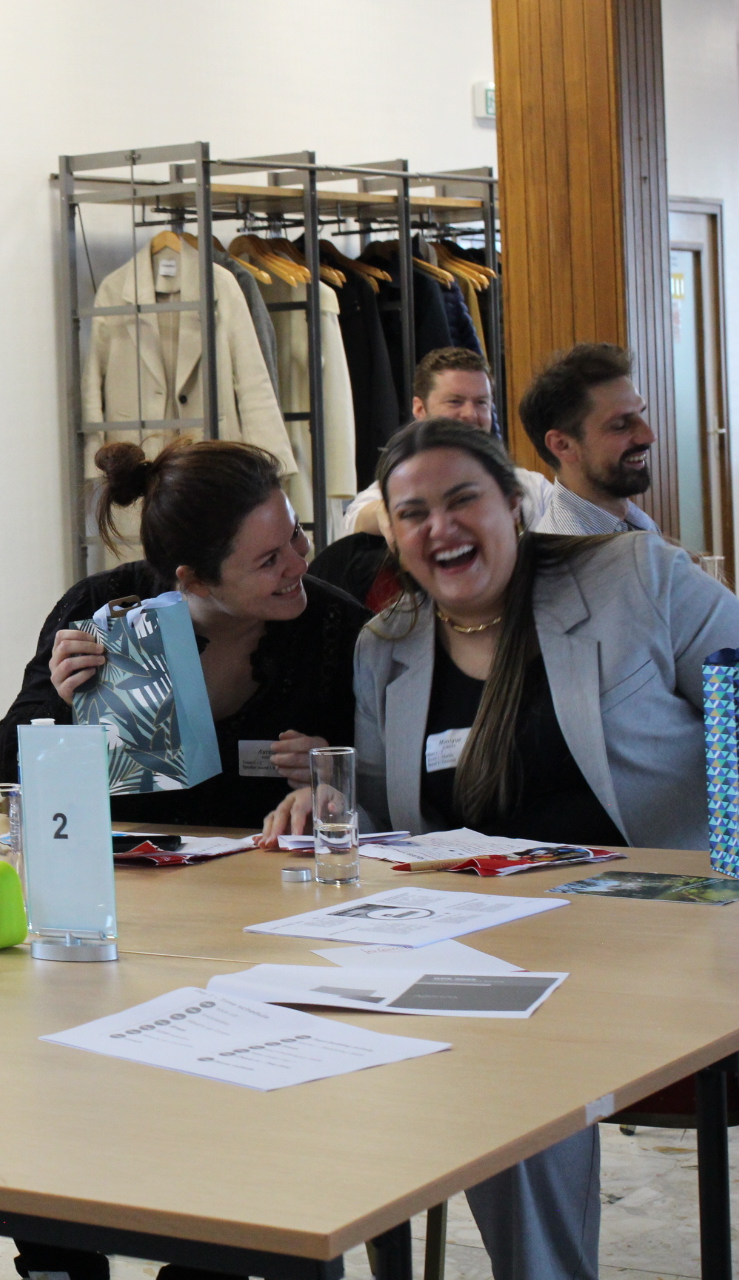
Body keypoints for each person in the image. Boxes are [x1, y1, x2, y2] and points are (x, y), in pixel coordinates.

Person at [265, 418, 739, 1280]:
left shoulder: (637, 578)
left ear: (514, 505)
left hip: (666, 943)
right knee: (352, 1030)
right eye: (414, 514)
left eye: (462, 501)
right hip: (487, 951)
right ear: (392, 536)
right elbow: (386, 816)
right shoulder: (387, 647)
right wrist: (329, 802)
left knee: (507, 1061)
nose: (440, 528)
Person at [0, 439, 369, 826]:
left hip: (273, 863)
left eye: (295, 533)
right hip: (131, 859)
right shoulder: (102, 607)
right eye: (269, 560)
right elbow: (9, 771)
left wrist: (338, 768)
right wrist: (64, 704)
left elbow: (389, 788)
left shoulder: (338, 626)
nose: (300, 563)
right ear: (196, 581)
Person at [341, 347, 552, 540]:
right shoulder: (394, 489)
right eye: (455, 402)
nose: (470, 414)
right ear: (420, 409)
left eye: (481, 402)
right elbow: (357, 518)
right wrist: (393, 512)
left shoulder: (534, 489)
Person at [518, 342, 659, 535]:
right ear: (563, 445)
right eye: (620, 425)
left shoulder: (631, 521)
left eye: (640, 414)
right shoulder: (572, 548)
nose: (648, 436)